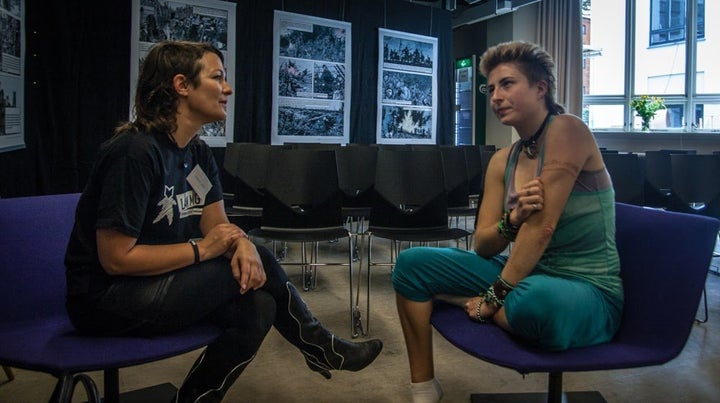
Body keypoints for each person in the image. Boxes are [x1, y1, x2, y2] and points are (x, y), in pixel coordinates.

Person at [64, 41, 382, 403]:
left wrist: (243, 244)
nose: (227, 88)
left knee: (259, 306)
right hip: (104, 297)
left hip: (159, 283)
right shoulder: (134, 153)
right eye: (217, 77)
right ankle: (319, 345)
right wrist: (205, 249)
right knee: (247, 272)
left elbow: (219, 228)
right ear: (182, 85)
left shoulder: (197, 152)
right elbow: (116, 258)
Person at [392, 41, 623, 403]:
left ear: (540, 88)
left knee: (538, 303)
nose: (496, 96)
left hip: (586, 288)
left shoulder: (568, 130)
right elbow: (483, 244)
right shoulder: (503, 160)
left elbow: (543, 228)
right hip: (526, 275)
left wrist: (493, 297)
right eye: (492, 88)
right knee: (410, 265)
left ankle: (474, 301)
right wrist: (512, 220)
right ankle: (423, 388)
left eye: (508, 84)